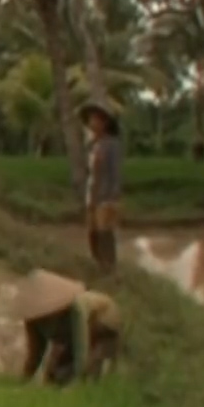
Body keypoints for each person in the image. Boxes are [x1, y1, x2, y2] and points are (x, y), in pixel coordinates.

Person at [14, 269, 122, 386]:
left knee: (87, 375)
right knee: (57, 376)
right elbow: (35, 354)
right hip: (75, 341)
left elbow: (81, 349)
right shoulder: (34, 320)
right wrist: (25, 382)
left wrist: (77, 379)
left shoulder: (77, 308)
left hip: (102, 328)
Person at [80, 96, 125, 274]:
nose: (92, 122)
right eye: (90, 119)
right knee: (92, 233)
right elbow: (91, 172)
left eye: (95, 119)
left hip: (106, 195)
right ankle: (99, 265)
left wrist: (114, 198)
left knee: (105, 233)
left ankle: (109, 268)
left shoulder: (112, 145)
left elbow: (115, 173)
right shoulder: (93, 145)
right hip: (92, 193)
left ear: (104, 123)